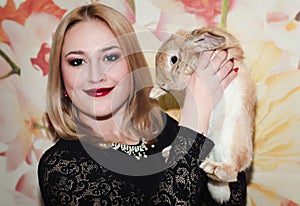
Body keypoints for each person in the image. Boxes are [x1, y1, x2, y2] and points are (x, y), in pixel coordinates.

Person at [38, 3, 247, 206]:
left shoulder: (166, 128)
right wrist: (194, 119)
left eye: (110, 57)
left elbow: (228, 200)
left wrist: (220, 114)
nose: (95, 76)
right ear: (61, 78)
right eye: (77, 62)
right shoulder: (60, 168)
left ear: (132, 66)